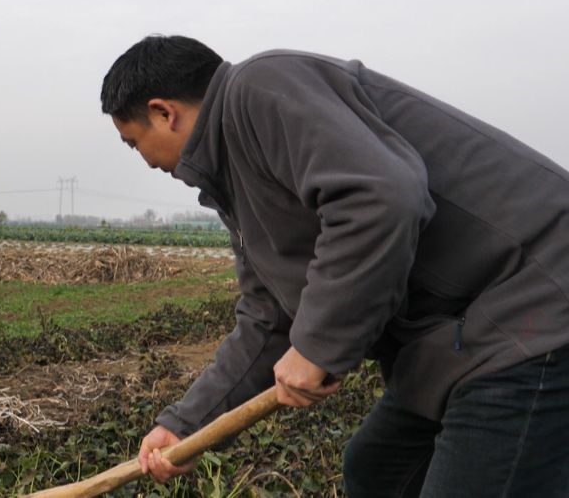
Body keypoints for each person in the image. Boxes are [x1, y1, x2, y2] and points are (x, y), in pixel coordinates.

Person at [100, 35, 569, 497]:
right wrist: (185, 425)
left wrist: (319, 345)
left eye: (132, 142)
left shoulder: (259, 89)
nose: (142, 160)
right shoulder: (235, 180)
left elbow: (383, 197)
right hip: (462, 335)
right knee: (377, 472)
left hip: (533, 305)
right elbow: (269, 318)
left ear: (164, 112)